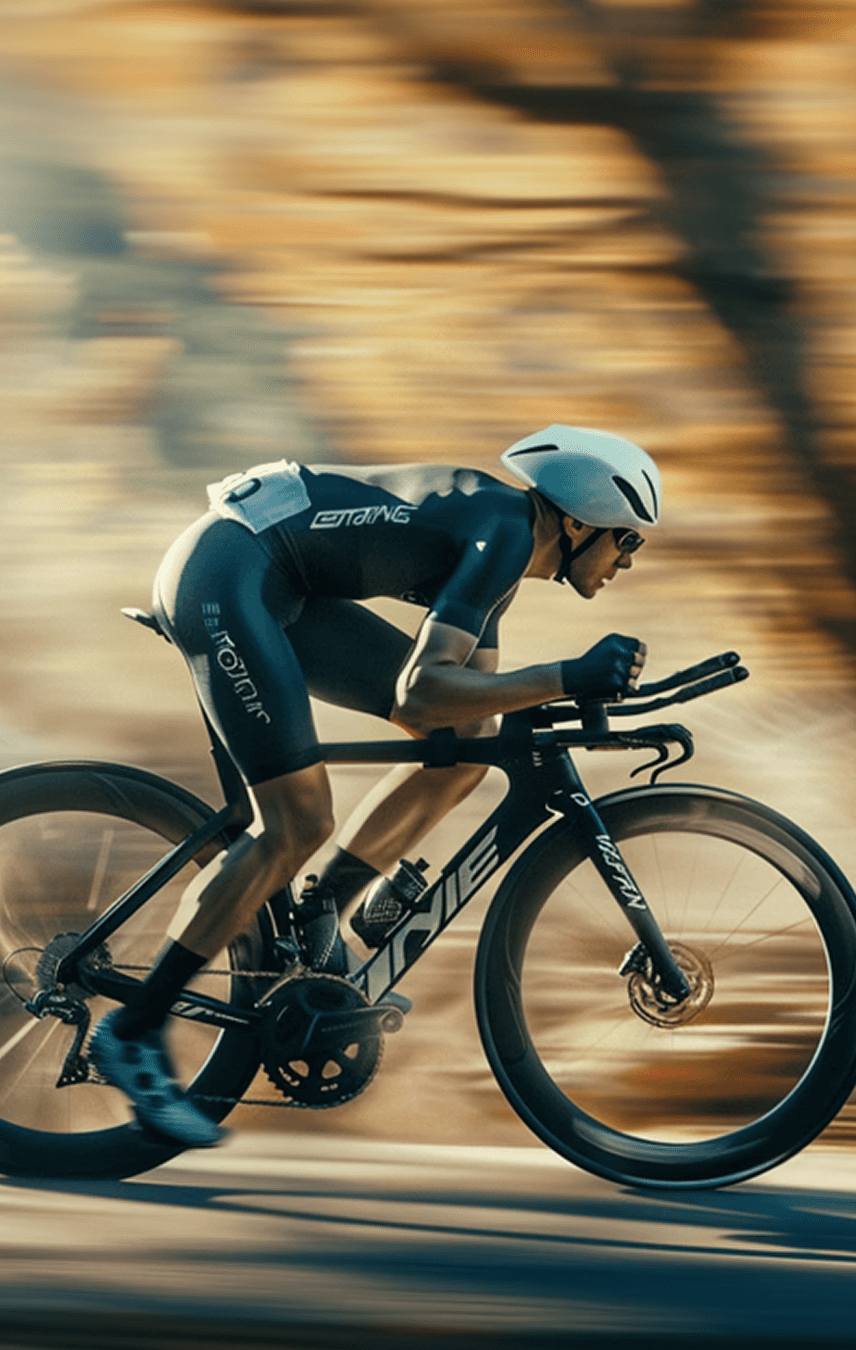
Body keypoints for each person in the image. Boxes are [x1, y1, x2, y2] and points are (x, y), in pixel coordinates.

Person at [85, 424, 658, 1147]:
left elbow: (462, 705)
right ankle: (133, 1031)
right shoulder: (505, 532)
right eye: (627, 540)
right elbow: (423, 693)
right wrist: (568, 675)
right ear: (577, 520)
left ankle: (322, 908)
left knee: (467, 748)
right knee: (293, 823)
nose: (628, 562)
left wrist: (568, 696)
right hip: (225, 573)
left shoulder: (504, 552)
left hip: (279, 581)